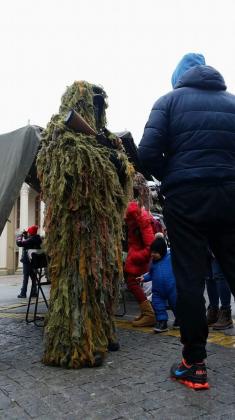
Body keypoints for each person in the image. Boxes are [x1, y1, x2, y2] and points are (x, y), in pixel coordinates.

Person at [138, 52, 235, 390]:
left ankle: (194, 364)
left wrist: (175, 175)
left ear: (179, 77)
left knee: (190, 280)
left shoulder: (168, 102)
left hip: (186, 201)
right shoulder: (232, 102)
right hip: (229, 196)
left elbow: (147, 153)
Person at [124, 200, 156, 327]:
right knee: (132, 283)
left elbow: (150, 246)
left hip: (138, 260)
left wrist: (135, 257)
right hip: (136, 258)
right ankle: (146, 312)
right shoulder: (137, 224)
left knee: (132, 283)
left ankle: (149, 314)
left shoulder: (143, 223)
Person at [139, 237, 178, 333]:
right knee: (158, 305)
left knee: (176, 304)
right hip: (157, 291)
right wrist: (144, 278)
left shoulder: (170, 257)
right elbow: (151, 274)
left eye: (155, 252)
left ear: (162, 251)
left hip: (172, 289)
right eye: (152, 252)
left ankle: (180, 319)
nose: (153, 254)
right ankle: (162, 322)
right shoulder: (153, 262)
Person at [206, 255, 233, 330]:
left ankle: (226, 313)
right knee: (209, 276)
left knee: (219, 274)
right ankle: (214, 312)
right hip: (205, 244)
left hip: (219, 244)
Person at [16, 224, 42, 298]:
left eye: (29, 232)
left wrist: (19, 236)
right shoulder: (38, 239)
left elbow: (19, 243)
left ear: (31, 232)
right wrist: (26, 236)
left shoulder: (31, 240)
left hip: (27, 261)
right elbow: (30, 241)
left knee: (26, 277)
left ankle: (23, 293)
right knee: (33, 277)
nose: (28, 233)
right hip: (35, 262)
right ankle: (34, 292)